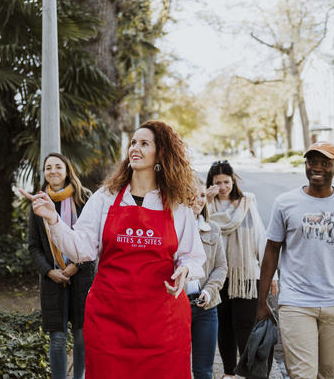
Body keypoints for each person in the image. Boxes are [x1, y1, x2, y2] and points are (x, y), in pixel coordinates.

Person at [20, 120, 206, 379]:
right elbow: (81, 249)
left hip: (162, 323)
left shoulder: (176, 205)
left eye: (144, 143)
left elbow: (192, 256)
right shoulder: (105, 197)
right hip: (110, 320)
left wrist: (184, 270)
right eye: (133, 143)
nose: (135, 148)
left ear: (160, 153)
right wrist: (53, 219)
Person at [256, 141, 334, 379]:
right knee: (302, 374)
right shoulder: (285, 202)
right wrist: (262, 301)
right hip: (296, 303)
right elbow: (271, 251)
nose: (317, 167)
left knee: (327, 374)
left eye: (325, 163)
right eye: (312, 162)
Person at [205, 160, 277, 378]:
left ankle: (249, 373)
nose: (223, 187)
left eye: (226, 182)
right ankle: (229, 372)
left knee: (245, 326)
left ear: (233, 181)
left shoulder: (246, 203)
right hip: (217, 276)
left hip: (245, 275)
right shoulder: (206, 206)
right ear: (210, 184)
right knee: (223, 326)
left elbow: (260, 239)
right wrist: (205, 202)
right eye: (218, 183)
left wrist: (272, 276)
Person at [27, 153, 94, 379]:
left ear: (67, 171)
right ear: (44, 173)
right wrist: (49, 271)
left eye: (58, 166)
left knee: (81, 335)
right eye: (48, 167)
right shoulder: (39, 202)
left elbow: (93, 240)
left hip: (82, 277)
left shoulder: (85, 198)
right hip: (52, 280)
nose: (53, 171)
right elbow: (33, 246)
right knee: (57, 339)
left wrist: (76, 265)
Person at [188, 178, 227, 379]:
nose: (199, 200)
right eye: (193, 194)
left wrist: (208, 291)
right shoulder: (171, 228)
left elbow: (221, 267)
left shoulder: (213, 229)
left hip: (206, 308)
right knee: (175, 368)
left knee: (204, 371)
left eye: (202, 195)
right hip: (176, 308)